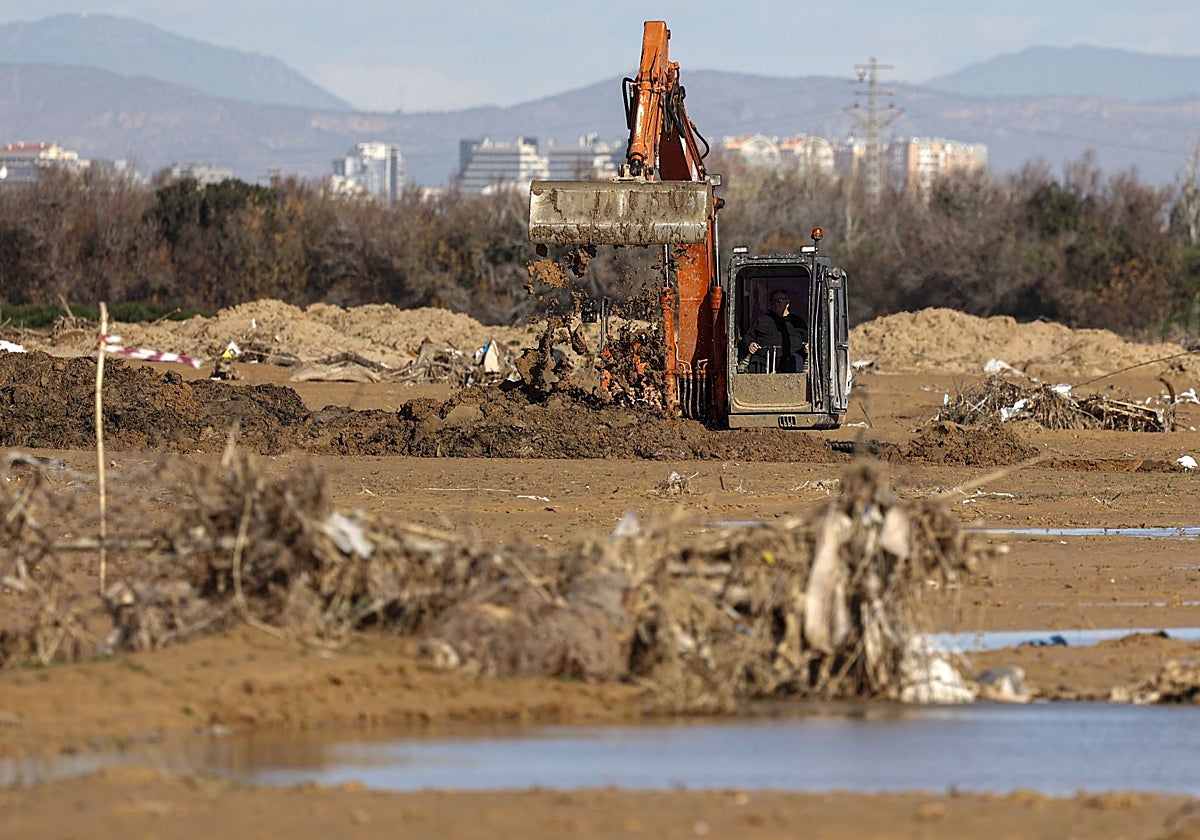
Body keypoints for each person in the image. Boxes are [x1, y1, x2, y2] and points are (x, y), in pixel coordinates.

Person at [739, 291, 808, 373]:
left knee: (796, 361)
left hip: (790, 359)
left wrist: (808, 346)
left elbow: (807, 339)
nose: (776, 304)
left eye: (779, 301)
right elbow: (748, 336)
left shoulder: (797, 322)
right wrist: (750, 343)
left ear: (787, 303)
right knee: (755, 362)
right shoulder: (762, 320)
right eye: (773, 301)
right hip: (764, 358)